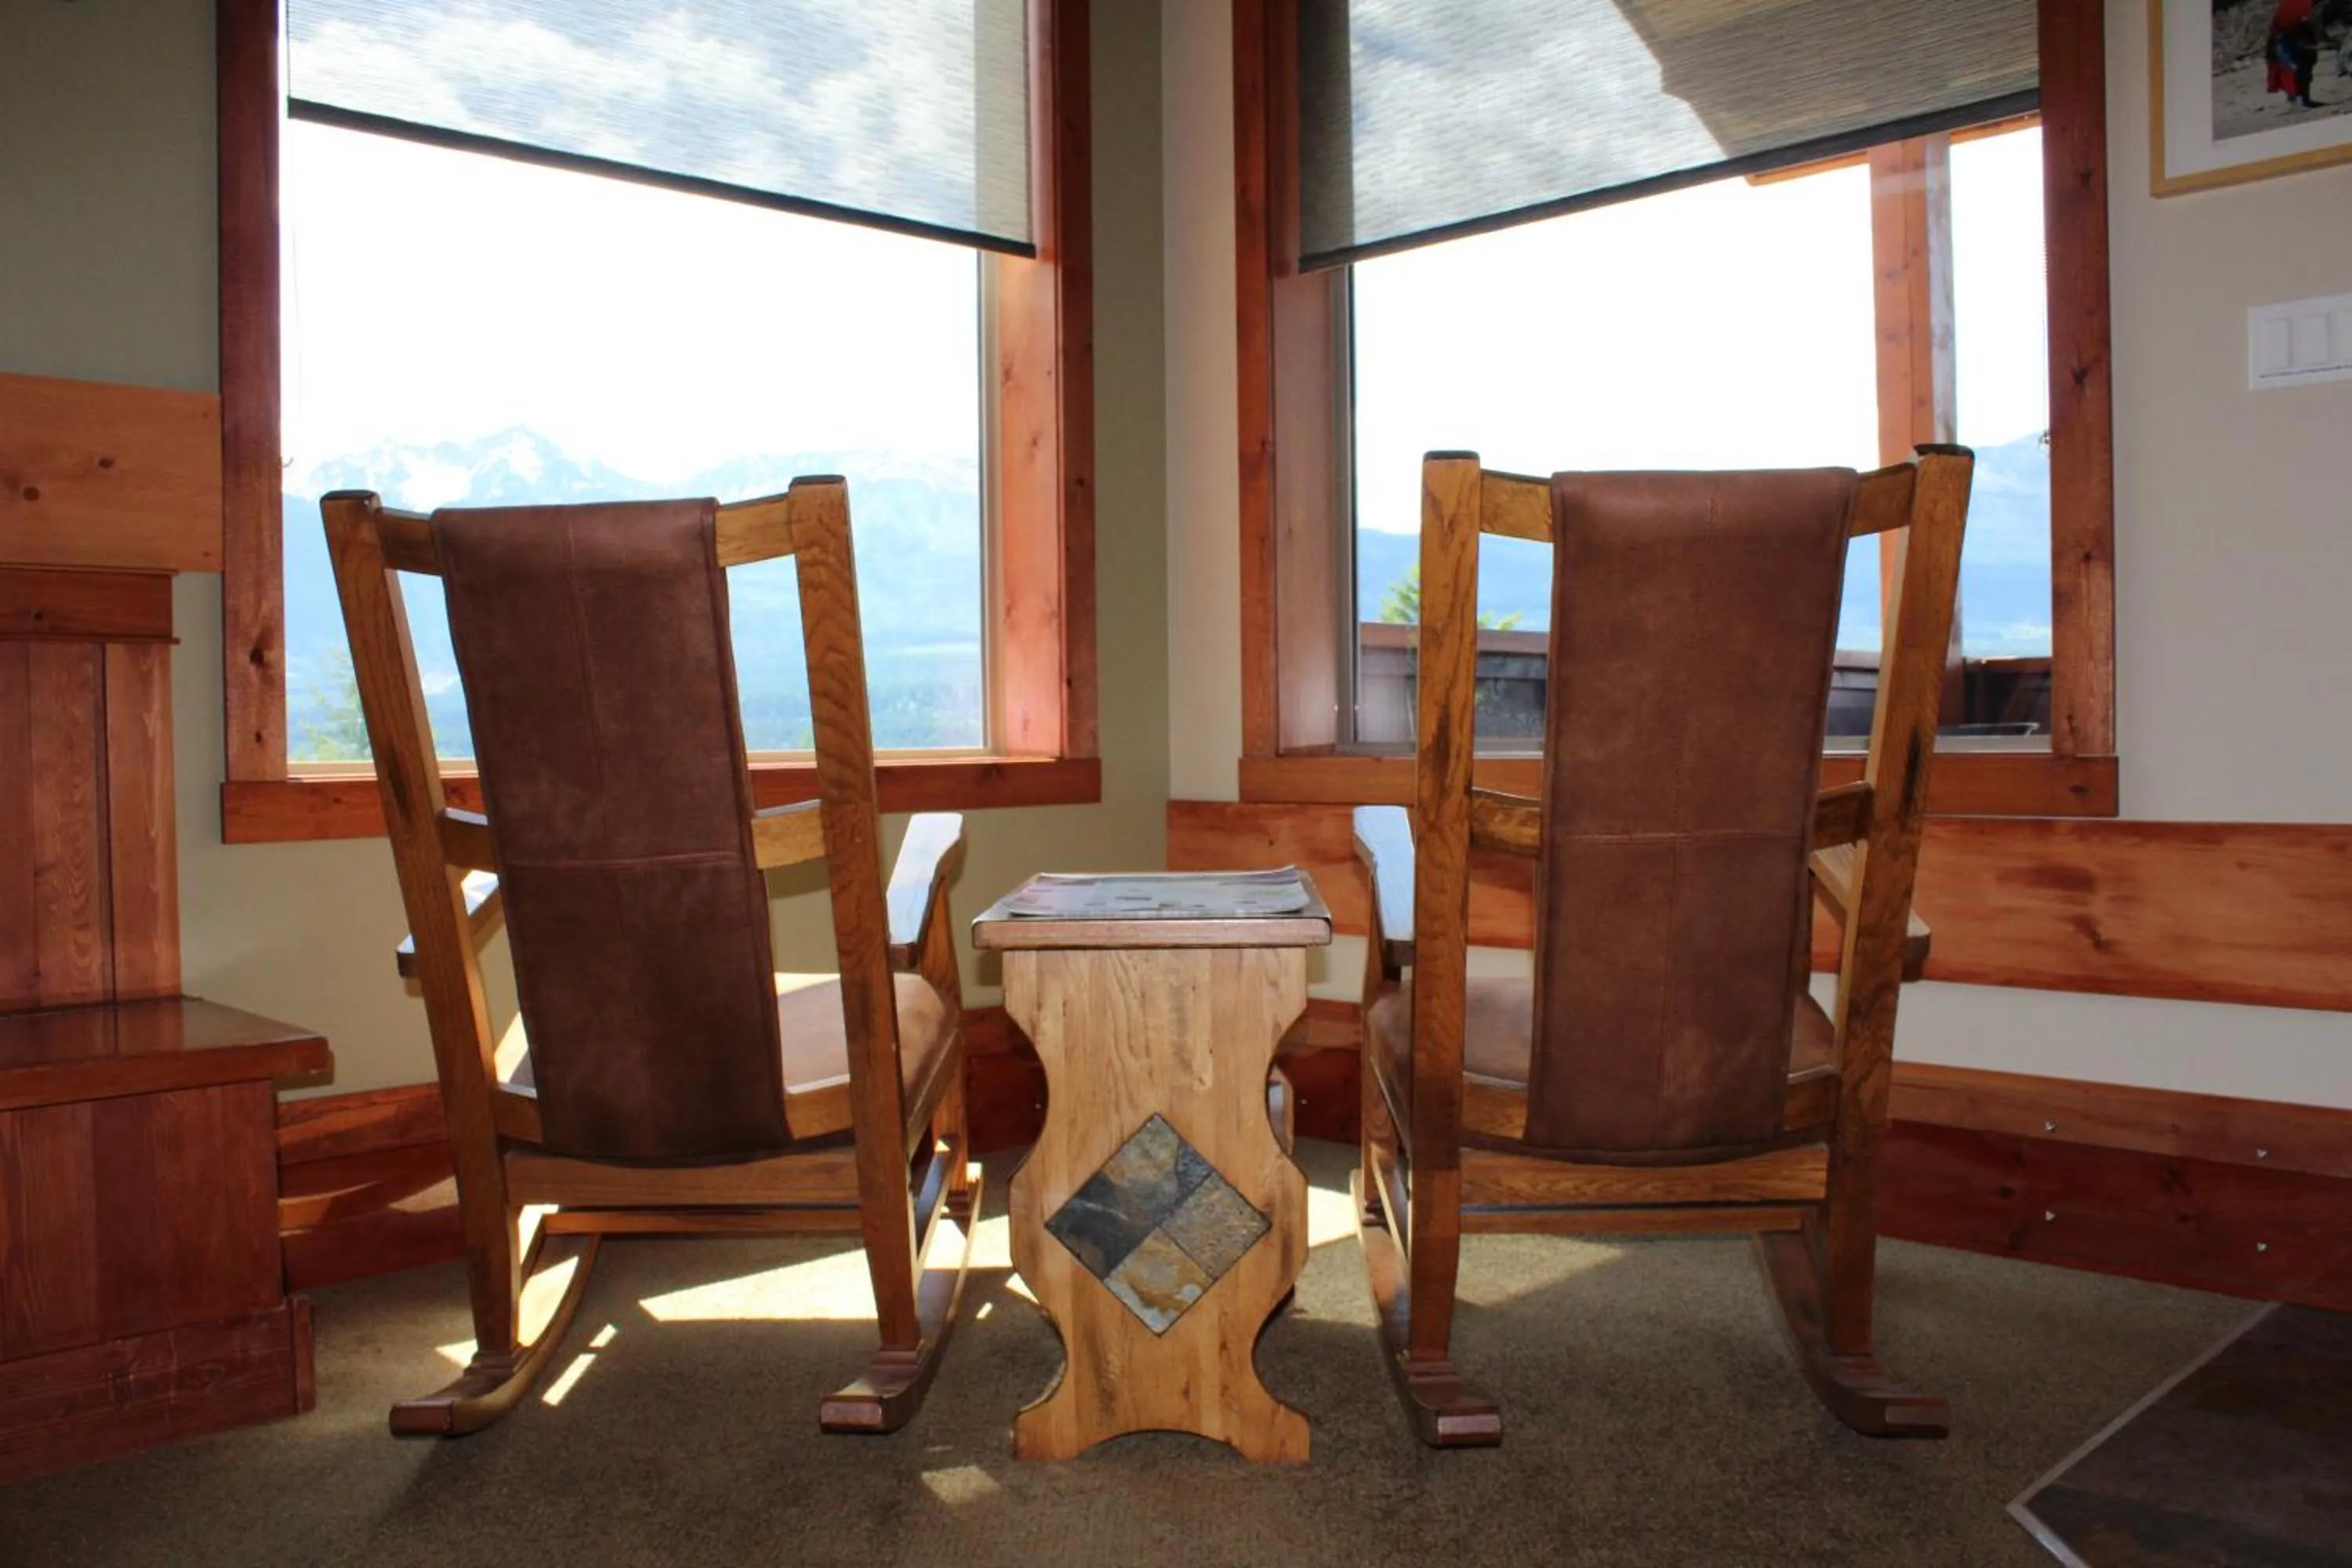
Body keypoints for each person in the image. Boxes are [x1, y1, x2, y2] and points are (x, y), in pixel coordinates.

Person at [2268, 0, 2324, 110]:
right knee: (2292, 69)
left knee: (2306, 68)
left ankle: (2305, 99)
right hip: (2284, 39)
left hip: (2301, 38)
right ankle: (2296, 101)